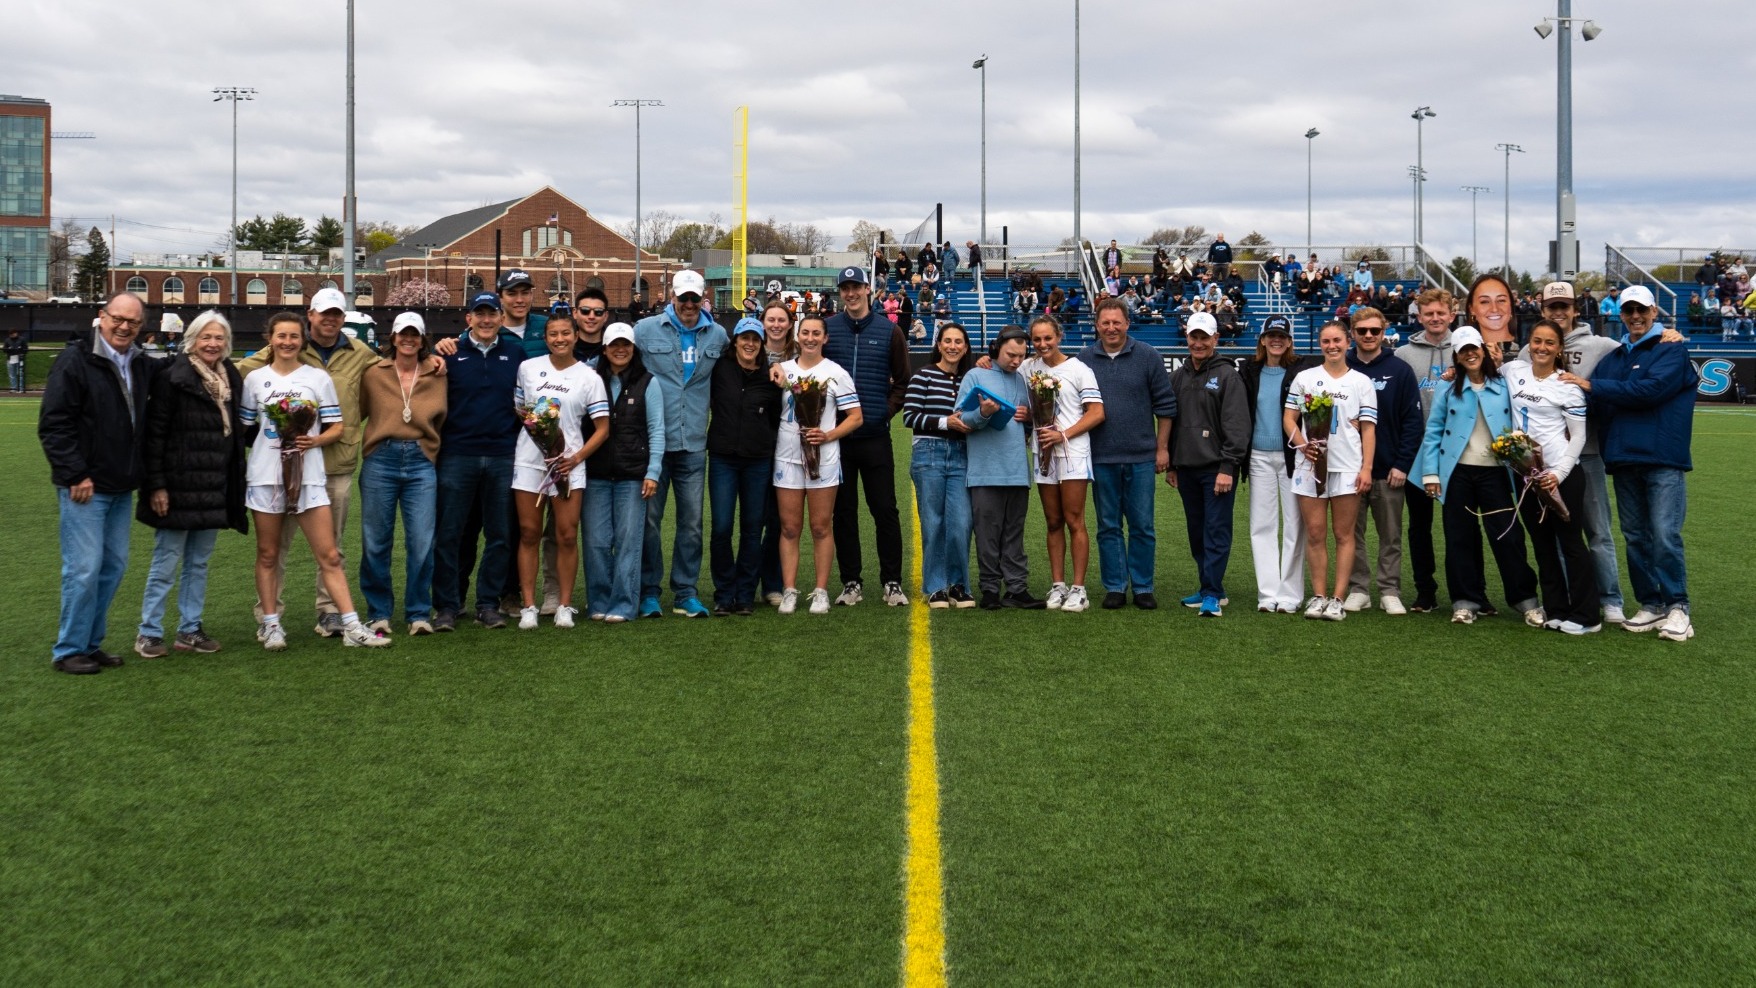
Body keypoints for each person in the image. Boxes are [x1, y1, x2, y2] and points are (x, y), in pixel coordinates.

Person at [235, 287, 385, 638]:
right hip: (268, 476)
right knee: (271, 551)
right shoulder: (261, 370)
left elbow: (383, 373)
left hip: (323, 471)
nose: (287, 342)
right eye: (281, 336)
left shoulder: (345, 360)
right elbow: (243, 414)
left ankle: (341, 619)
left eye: (336, 313)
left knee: (330, 551)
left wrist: (432, 358)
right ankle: (270, 622)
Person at [1562, 285, 1698, 642]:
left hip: (1662, 458)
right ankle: (1651, 604)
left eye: (1642, 310)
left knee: (1664, 535)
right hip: (1623, 458)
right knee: (1636, 537)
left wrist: (1593, 387)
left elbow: (1648, 391)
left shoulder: (1672, 349)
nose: (1635, 317)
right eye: (1629, 311)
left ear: (1655, 311)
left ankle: (1678, 606)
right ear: (1620, 315)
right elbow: (1596, 402)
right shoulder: (1614, 358)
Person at [39, 292, 162, 673]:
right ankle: (68, 650)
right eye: (117, 319)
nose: (124, 327)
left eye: (133, 322)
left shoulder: (141, 363)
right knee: (84, 568)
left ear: (141, 327)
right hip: (85, 486)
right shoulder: (75, 361)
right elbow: (55, 424)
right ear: (101, 317)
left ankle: (91, 645)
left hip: (120, 484)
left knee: (112, 568)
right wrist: (74, 473)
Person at [132, 311, 247, 658]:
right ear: (192, 340)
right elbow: (155, 436)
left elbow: (238, 432)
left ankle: (190, 628)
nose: (212, 344)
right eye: (205, 337)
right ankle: (149, 632)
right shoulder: (173, 377)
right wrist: (156, 485)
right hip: (177, 486)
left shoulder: (231, 378)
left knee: (198, 562)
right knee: (166, 561)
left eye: (219, 338)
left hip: (213, 486)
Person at [1417, 326, 1540, 625]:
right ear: (1456, 357)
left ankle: (1526, 600)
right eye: (1463, 351)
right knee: (1459, 538)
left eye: (1474, 348)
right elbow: (1433, 432)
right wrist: (1431, 473)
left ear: (1483, 351)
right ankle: (1465, 601)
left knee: (1508, 536)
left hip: (1497, 474)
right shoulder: (1447, 388)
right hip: (1457, 473)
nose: (1470, 354)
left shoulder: (1504, 384)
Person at [1528, 281, 1625, 625]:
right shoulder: (1531, 350)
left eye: (1564, 305)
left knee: (1597, 531)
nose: (1559, 311)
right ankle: (1569, 600)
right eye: (1552, 306)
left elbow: (1637, 350)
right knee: (1558, 533)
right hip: (1545, 461)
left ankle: (1610, 598)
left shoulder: (1601, 345)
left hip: (1588, 452)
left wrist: (1667, 335)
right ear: (1543, 309)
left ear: (1575, 308)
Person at [634, 269, 730, 619]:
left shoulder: (717, 335)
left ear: (703, 299)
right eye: (682, 298)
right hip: (654, 445)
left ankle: (685, 592)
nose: (688, 304)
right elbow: (619, 365)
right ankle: (648, 592)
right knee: (650, 521)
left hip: (693, 444)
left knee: (691, 523)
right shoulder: (644, 331)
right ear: (671, 298)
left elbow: (738, 369)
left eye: (694, 298)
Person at [819, 266, 911, 608]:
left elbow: (902, 382)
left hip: (874, 437)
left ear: (868, 288)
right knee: (843, 511)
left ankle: (892, 581)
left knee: (884, 509)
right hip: (838, 438)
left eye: (856, 286)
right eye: (845, 287)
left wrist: (881, 413)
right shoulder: (828, 329)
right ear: (840, 292)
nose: (851, 293)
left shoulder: (890, 332)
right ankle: (851, 581)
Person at [431, 293, 524, 631]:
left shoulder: (515, 353)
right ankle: (447, 605)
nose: (486, 320)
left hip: (502, 455)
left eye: (492, 314)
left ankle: (488, 603)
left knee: (499, 534)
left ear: (501, 317)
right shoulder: (449, 354)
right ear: (468, 318)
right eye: (479, 314)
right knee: (451, 533)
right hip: (458, 454)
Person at [1077, 298, 1177, 609]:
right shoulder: (1083, 360)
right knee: (1108, 526)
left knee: (1142, 525)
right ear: (1097, 325)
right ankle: (1116, 586)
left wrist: (1162, 449)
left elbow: (1166, 408)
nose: (1110, 328)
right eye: (1105, 323)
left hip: (1142, 458)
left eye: (1116, 322)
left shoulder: (1148, 356)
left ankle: (1143, 586)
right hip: (1101, 457)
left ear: (1127, 323)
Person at [511, 315, 609, 630]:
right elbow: (521, 412)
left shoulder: (589, 376)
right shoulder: (528, 368)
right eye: (553, 334)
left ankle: (564, 605)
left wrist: (575, 457)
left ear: (576, 335)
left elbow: (602, 429)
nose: (559, 339)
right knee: (528, 533)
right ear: (547, 337)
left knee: (566, 535)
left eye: (566, 332)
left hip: (569, 465)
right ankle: (529, 605)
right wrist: (542, 436)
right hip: (529, 462)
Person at [1502, 319, 1598, 634]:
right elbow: (1480, 370)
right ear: (1529, 344)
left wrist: (1557, 474)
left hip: (1562, 476)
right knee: (1542, 545)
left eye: (1549, 343)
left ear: (1559, 349)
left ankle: (1588, 616)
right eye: (1537, 342)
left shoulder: (1568, 386)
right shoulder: (1513, 371)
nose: (1541, 348)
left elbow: (1578, 438)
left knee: (1572, 545)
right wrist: (1452, 373)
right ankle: (1556, 609)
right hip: (1527, 477)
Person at [357, 312, 447, 636]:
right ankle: (379, 612)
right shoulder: (373, 373)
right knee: (376, 541)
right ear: (393, 338)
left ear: (423, 339)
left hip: (421, 462)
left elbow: (443, 418)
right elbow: (358, 412)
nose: (408, 340)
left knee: (422, 540)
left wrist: (429, 450)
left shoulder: (437, 372)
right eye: (402, 334)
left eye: (415, 335)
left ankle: (418, 612)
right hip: (381, 459)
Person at [1284, 321, 1378, 621]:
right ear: (1320, 344)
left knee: (1343, 533)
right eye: (1326, 341)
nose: (1332, 346)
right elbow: (1289, 418)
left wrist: (1366, 468)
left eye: (1337, 340)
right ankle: (1318, 595)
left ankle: (1338, 597)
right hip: (1309, 467)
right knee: (1314, 533)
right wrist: (1303, 446)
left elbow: (1368, 429)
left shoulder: (1361, 382)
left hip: (1347, 467)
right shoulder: (1305, 377)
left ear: (1347, 342)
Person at [774, 314, 863, 615]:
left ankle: (821, 591)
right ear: (797, 337)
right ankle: (789, 590)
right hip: (786, 458)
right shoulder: (782, 371)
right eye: (805, 333)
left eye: (816, 333)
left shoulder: (836, 373)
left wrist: (827, 435)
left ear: (825, 338)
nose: (810, 338)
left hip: (824, 460)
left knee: (821, 526)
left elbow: (856, 416)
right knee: (789, 527)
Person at [1340, 307, 1422, 614]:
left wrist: (1402, 464)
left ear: (1384, 331)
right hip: (1348, 470)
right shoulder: (1339, 366)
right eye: (1362, 331)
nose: (1369, 336)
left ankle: (1389, 589)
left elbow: (1412, 422)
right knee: (1351, 534)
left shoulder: (1399, 370)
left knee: (1390, 535)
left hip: (1389, 470)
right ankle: (1359, 588)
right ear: (1353, 333)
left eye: (1375, 330)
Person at [1021, 315, 1105, 613]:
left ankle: (1079, 588)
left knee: (1074, 520)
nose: (1043, 344)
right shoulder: (1029, 367)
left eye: (1048, 338)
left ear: (1059, 336)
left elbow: (1096, 413)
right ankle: (1058, 584)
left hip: (1072, 452)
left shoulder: (1079, 369)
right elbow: (1006, 369)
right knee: (1053, 521)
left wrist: (1063, 435)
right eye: (1037, 339)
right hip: (1042, 452)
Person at [1167, 312, 1249, 617]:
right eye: (1194, 337)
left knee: (1216, 530)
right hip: (1187, 467)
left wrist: (1228, 467)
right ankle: (1209, 587)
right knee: (1197, 532)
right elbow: (1171, 422)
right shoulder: (1178, 376)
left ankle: (1213, 592)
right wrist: (1173, 464)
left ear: (1216, 339)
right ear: (1187, 338)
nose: (1198, 343)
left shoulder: (1228, 375)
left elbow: (1237, 425)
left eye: (1204, 337)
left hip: (1217, 469)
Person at [584, 323, 666, 623]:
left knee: (629, 541)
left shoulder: (648, 382)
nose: (621, 350)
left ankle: (623, 603)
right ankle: (599, 600)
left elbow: (657, 430)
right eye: (614, 345)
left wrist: (653, 471)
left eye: (626, 345)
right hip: (596, 474)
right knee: (596, 541)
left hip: (633, 475)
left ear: (634, 348)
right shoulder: (591, 379)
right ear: (604, 349)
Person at [956, 327, 1038, 609]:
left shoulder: (1023, 380)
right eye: (1011, 355)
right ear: (995, 349)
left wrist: (1028, 418)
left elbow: (1028, 424)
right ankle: (990, 589)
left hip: (1017, 471)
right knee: (988, 534)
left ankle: (1016, 589)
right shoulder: (976, 375)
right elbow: (960, 420)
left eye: (1021, 356)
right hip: (985, 471)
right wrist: (982, 413)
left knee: (1014, 533)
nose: (1016, 361)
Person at [1241, 315, 1316, 613]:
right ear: (1262, 339)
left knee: (1295, 525)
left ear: (1289, 341)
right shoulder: (1248, 370)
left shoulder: (1303, 371)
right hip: (1258, 456)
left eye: (1282, 336)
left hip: (1292, 457)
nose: (1276, 340)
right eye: (1271, 335)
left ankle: (1290, 595)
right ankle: (1267, 593)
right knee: (1262, 525)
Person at [708, 317, 781, 616]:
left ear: (762, 344)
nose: (749, 344)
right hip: (723, 458)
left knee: (752, 529)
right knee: (722, 527)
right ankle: (725, 593)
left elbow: (776, 419)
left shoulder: (770, 376)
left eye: (755, 339)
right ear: (735, 341)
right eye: (744, 338)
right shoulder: (719, 370)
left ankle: (745, 593)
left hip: (757, 461)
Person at [903, 322, 976, 609]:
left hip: (961, 453)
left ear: (966, 347)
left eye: (959, 341)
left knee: (961, 522)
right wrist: (947, 421)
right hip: (928, 453)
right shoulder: (923, 375)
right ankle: (935, 587)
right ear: (939, 344)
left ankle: (958, 585)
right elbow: (909, 417)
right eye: (948, 341)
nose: (953, 346)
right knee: (933, 523)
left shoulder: (970, 379)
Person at [1392, 288, 1456, 612]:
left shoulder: (1466, 348)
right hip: (1418, 454)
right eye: (1428, 313)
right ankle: (1425, 590)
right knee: (1420, 526)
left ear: (1451, 315)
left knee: (1460, 526)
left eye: (1440, 313)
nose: (1434, 318)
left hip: (1459, 454)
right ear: (1419, 316)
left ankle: (1468, 592)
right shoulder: (1404, 354)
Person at [1466, 272, 1520, 366]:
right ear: (1472, 309)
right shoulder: (1461, 349)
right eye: (1484, 302)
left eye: (1501, 300)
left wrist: (1498, 367)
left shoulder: (1525, 353)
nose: (1494, 309)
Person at [572, 286, 612, 362]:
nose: (591, 316)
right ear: (575, 313)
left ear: (606, 316)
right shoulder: (563, 347)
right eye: (585, 311)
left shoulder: (615, 350)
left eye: (598, 312)